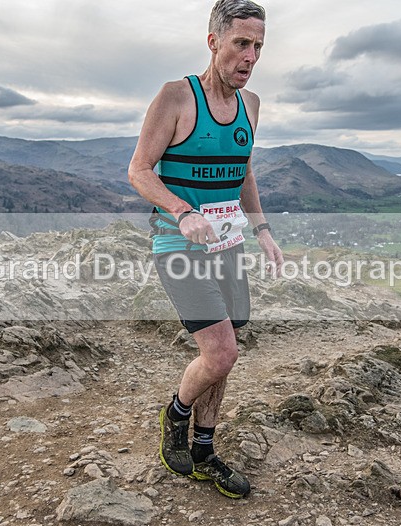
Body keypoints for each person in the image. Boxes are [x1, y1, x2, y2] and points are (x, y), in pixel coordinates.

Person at [128, 0, 282, 499]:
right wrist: (183, 212)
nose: (251, 56)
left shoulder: (251, 105)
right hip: (179, 242)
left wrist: (261, 230)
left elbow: (245, 171)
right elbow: (139, 171)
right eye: (242, 43)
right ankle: (174, 416)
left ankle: (204, 450)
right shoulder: (176, 97)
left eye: (258, 46)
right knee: (220, 352)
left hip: (228, 244)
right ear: (213, 40)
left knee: (227, 354)